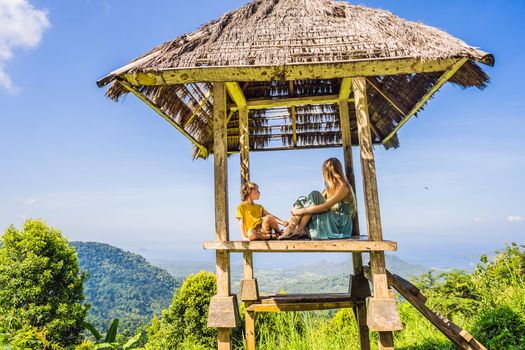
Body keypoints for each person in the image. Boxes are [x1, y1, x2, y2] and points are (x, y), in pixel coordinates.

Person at [279, 158, 356, 240]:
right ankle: (291, 228)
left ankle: (298, 230)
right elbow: (312, 204)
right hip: (329, 221)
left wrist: (298, 211)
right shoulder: (328, 190)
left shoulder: (343, 187)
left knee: (315, 195)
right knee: (303, 200)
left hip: (339, 227)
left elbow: (325, 207)